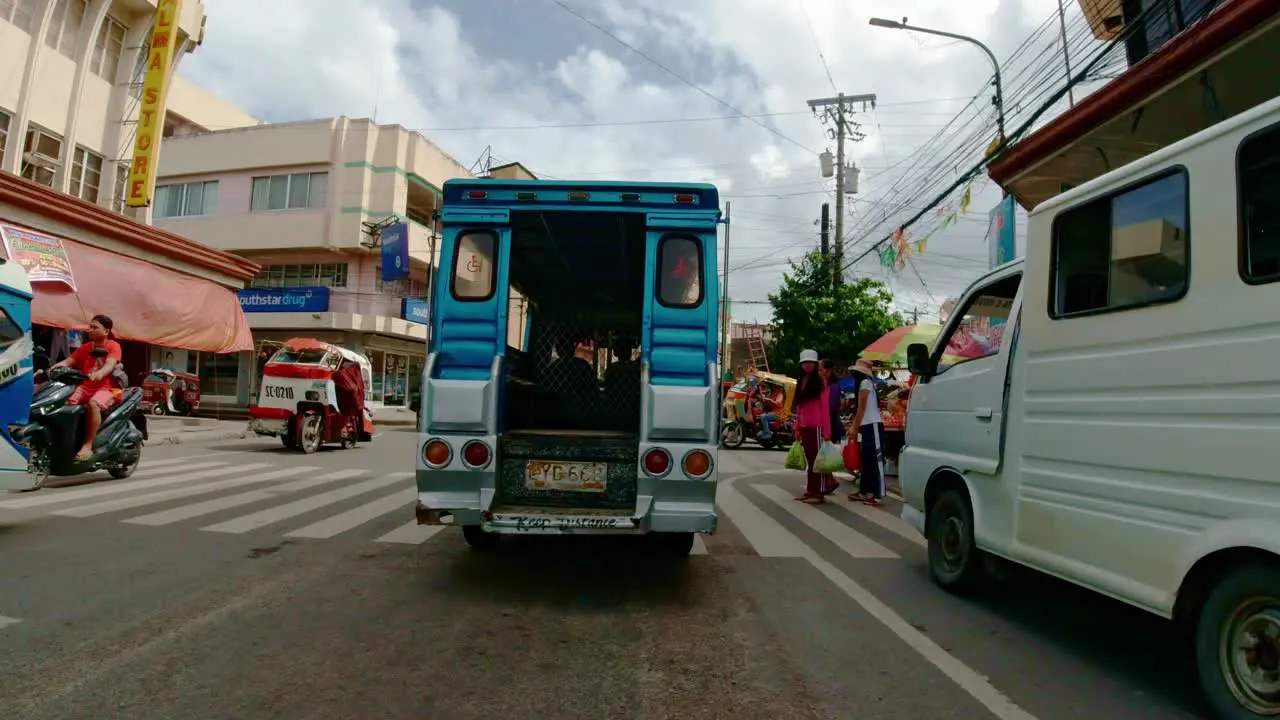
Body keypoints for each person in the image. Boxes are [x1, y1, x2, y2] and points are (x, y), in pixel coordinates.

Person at [46, 315, 122, 461]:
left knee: (93, 404)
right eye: (90, 326)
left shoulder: (113, 346)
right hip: (85, 386)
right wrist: (48, 371)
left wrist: (100, 373)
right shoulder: (86, 347)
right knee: (64, 403)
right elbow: (68, 362)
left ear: (106, 331)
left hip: (106, 389)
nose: (90, 330)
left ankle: (88, 445)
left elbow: (110, 365)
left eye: (95, 327)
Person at [789, 349, 844, 504]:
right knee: (810, 460)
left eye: (810, 363)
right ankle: (811, 490)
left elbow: (825, 408)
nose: (807, 365)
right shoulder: (801, 381)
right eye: (804, 363)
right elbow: (799, 407)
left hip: (818, 426)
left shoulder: (821, 382)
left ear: (815, 364)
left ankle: (818, 493)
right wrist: (797, 427)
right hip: (805, 426)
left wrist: (827, 431)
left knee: (817, 462)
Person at [849, 358, 887, 505]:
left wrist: (854, 427)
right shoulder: (867, 383)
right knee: (866, 460)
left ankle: (878, 493)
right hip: (868, 425)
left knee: (875, 461)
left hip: (873, 425)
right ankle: (864, 491)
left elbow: (861, 408)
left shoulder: (865, 383)